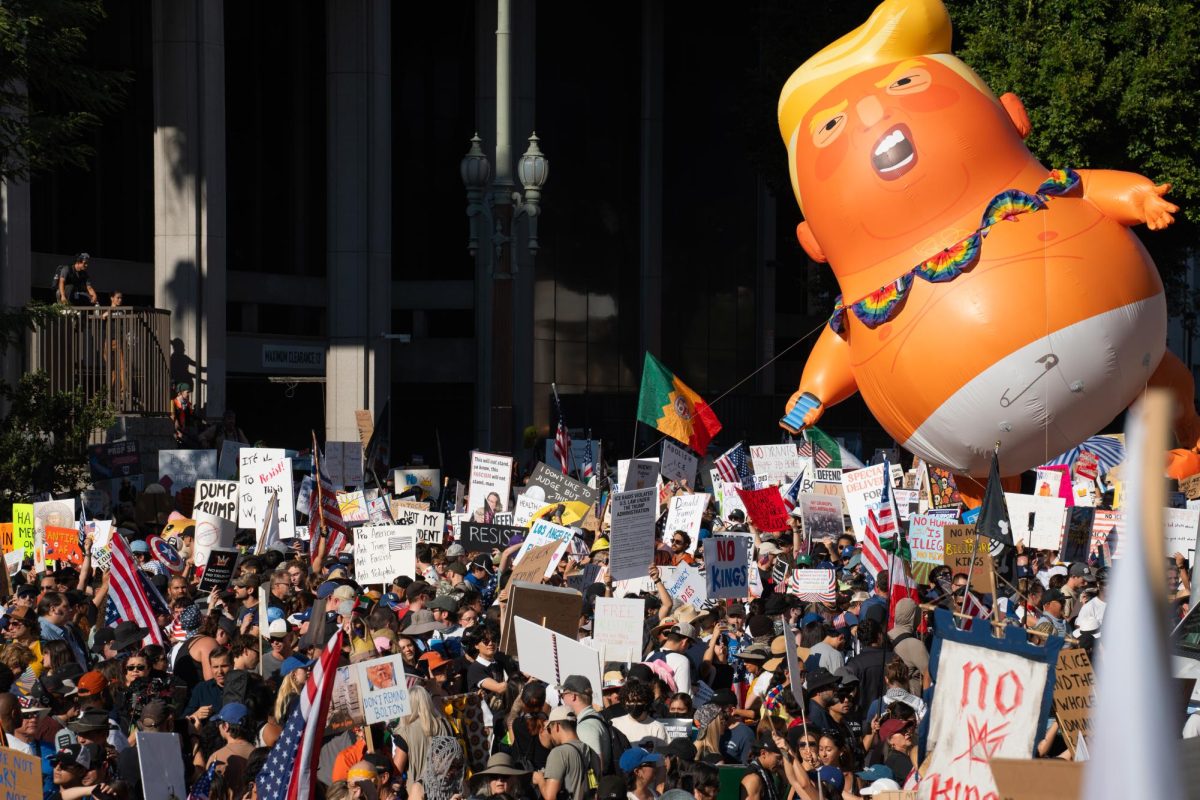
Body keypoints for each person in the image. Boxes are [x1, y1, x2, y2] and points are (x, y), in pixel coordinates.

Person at [533, 706, 599, 800]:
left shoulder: (558, 753)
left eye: (549, 729)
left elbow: (550, 797)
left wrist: (540, 780)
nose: (550, 733)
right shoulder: (591, 751)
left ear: (556, 726)